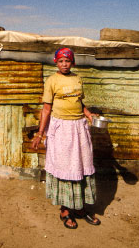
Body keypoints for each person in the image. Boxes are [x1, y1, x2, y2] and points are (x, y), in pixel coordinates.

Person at [31, 48, 101, 230]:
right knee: (65, 167)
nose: (64, 64)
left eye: (67, 61)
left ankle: (80, 207)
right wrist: (40, 133)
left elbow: (79, 102)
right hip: (61, 129)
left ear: (72, 62)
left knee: (81, 165)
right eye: (61, 61)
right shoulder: (52, 81)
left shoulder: (77, 79)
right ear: (56, 62)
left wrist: (88, 114)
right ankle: (65, 209)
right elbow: (46, 109)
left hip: (79, 127)